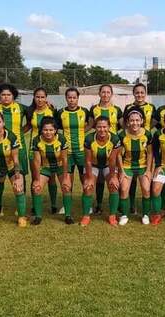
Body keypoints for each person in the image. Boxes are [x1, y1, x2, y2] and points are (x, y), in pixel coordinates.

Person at [0, 83, 29, 216]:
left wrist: (20, 132)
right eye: (3, 95)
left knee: (20, 176)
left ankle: (20, 208)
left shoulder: (22, 108)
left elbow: (32, 121)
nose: (6, 97)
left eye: (8, 94)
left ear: (13, 95)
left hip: (17, 147)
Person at [79, 116, 121, 226]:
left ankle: (112, 216)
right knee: (88, 187)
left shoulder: (115, 139)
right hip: (93, 165)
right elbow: (87, 161)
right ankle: (86, 216)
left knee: (113, 185)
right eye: (99, 127)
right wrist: (88, 178)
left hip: (108, 165)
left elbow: (112, 160)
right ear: (95, 127)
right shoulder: (89, 139)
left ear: (109, 127)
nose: (102, 130)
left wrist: (113, 177)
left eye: (104, 127)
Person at [30, 117, 73, 225]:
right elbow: (36, 161)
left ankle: (68, 215)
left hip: (60, 166)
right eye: (45, 130)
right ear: (41, 130)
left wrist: (66, 178)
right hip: (46, 167)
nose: (48, 132)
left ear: (55, 130)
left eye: (50, 130)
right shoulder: (36, 140)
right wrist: (36, 179)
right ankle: (38, 216)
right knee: (36, 188)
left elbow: (64, 159)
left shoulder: (61, 139)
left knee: (66, 187)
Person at [123, 83, 157, 215]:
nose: (140, 95)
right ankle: (131, 206)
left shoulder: (151, 107)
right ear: (133, 94)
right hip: (131, 143)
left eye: (142, 92)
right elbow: (124, 124)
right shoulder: (128, 107)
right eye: (137, 92)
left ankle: (148, 209)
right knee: (130, 179)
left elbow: (154, 123)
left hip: (144, 142)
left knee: (144, 179)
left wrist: (144, 133)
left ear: (145, 93)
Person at [89, 84, 123, 213]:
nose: (105, 94)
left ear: (112, 94)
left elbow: (123, 126)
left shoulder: (117, 110)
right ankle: (98, 204)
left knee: (114, 174)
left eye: (108, 92)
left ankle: (117, 203)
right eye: (103, 92)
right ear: (99, 94)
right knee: (100, 177)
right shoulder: (93, 109)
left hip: (114, 146)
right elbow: (91, 126)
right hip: (99, 146)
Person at [25, 87, 58, 214]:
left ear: (46, 98)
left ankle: (54, 205)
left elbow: (56, 129)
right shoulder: (30, 111)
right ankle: (35, 205)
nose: (40, 99)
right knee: (35, 176)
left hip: (50, 148)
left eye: (42, 97)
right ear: (34, 98)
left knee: (52, 177)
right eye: (37, 97)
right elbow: (28, 126)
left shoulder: (52, 111)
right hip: (34, 148)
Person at [117, 108, 153, 225]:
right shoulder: (122, 135)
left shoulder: (147, 134)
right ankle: (124, 215)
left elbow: (150, 153)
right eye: (132, 120)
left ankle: (146, 215)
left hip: (142, 166)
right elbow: (118, 155)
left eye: (137, 120)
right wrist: (121, 171)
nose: (135, 123)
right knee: (123, 190)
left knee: (146, 189)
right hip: (127, 166)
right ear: (127, 122)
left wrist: (148, 170)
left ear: (142, 121)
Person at [55, 87, 92, 195]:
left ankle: (87, 203)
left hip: (81, 151)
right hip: (67, 152)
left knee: (84, 178)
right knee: (67, 179)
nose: (72, 100)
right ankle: (67, 204)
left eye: (74, 97)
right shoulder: (61, 112)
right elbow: (56, 128)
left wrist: (82, 131)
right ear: (66, 98)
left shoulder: (84, 111)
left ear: (78, 98)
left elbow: (91, 123)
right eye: (69, 97)